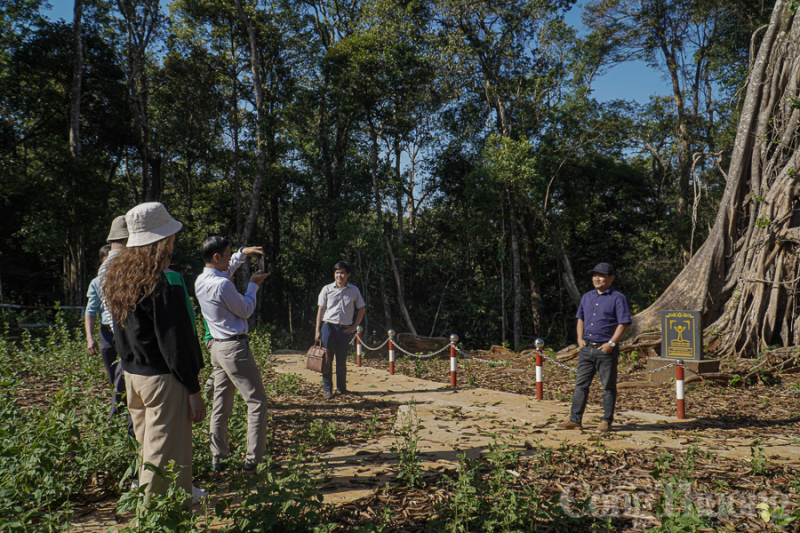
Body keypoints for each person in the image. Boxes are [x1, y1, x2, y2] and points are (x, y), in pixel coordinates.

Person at [104, 202, 206, 499]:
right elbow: (177, 344)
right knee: (164, 457)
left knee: (147, 447)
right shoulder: (161, 285)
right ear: (162, 240)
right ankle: (154, 518)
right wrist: (193, 388)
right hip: (163, 381)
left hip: (133, 377)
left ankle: (163, 508)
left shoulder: (118, 279)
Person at [194, 236, 269, 473]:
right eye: (227, 255)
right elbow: (246, 310)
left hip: (217, 348)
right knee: (256, 402)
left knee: (221, 405)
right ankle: (253, 461)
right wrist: (253, 286)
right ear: (217, 257)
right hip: (234, 349)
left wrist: (241, 253)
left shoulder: (201, 280)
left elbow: (225, 273)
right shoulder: (223, 285)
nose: (230, 260)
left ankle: (219, 457)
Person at [558, 263, 630, 433]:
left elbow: (623, 323)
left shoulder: (618, 298)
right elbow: (580, 318)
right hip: (586, 349)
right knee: (580, 385)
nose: (597, 278)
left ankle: (606, 421)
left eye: (602, 276)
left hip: (606, 350)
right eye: (595, 275)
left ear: (611, 278)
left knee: (608, 387)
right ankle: (575, 420)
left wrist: (611, 344)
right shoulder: (587, 297)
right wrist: (579, 338)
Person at [315, 261, 365, 399]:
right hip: (328, 328)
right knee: (327, 360)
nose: (339, 276)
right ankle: (327, 390)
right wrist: (317, 331)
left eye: (342, 273)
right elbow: (321, 310)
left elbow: (362, 308)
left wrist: (354, 326)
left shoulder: (354, 290)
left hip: (344, 330)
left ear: (347, 274)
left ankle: (342, 388)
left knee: (342, 361)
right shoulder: (327, 289)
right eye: (337, 273)